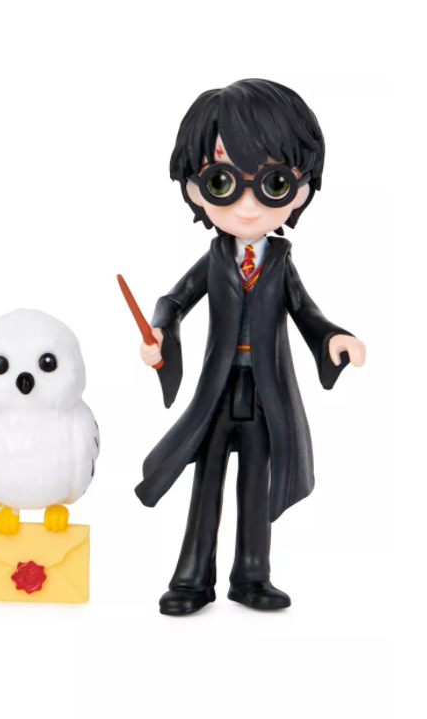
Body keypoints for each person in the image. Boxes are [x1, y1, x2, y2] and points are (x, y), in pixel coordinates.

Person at [136, 79, 366, 616]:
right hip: (218, 392)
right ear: (196, 188)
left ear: (299, 190)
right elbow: (173, 301)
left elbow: (307, 314)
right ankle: (192, 577)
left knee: (256, 484)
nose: (246, 206)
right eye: (221, 182)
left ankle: (252, 574)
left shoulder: (280, 262)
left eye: (272, 183)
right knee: (207, 481)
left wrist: (334, 338)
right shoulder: (216, 258)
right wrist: (160, 335)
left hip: (266, 393)